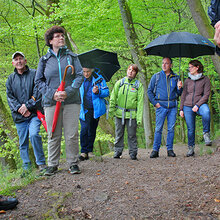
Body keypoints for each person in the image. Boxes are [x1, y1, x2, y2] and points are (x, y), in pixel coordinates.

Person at [35, 26, 83, 176]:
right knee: (53, 133)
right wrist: (53, 94)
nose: (61, 38)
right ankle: (52, 164)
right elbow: (38, 81)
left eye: (62, 36)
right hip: (50, 103)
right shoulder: (44, 60)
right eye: (57, 36)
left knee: (71, 134)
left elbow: (80, 76)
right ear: (50, 41)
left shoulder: (72, 57)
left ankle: (73, 163)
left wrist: (67, 92)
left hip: (71, 101)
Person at [6, 51, 46, 173]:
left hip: (34, 113)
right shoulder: (10, 79)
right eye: (16, 60)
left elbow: (38, 92)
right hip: (19, 117)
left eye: (20, 59)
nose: (19, 61)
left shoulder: (34, 74)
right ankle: (26, 167)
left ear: (25, 60)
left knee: (34, 135)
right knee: (22, 142)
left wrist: (27, 106)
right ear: (13, 63)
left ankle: (41, 164)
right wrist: (20, 109)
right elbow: (10, 97)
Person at [147, 57, 183, 158]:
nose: (164, 65)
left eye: (166, 63)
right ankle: (155, 150)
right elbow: (149, 91)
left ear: (171, 65)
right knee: (158, 129)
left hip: (172, 107)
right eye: (163, 63)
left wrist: (180, 88)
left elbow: (179, 93)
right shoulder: (156, 76)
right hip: (160, 106)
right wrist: (155, 103)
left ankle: (170, 149)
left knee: (171, 129)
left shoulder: (176, 77)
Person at [109, 64, 144, 160]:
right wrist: (111, 111)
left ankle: (133, 153)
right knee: (119, 133)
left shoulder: (138, 86)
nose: (130, 72)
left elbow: (140, 103)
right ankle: (117, 151)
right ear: (127, 70)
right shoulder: (119, 83)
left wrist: (139, 118)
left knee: (132, 134)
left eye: (133, 71)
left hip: (132, 115)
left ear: (135, 73)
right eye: (129, 69)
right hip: (119, 113)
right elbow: (113, 97)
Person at [180, 60, 212, 157]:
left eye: (191, 67)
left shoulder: (205, 79)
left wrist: (197, 105)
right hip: (187, 105)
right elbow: (183, 94)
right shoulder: (187, 80)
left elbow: (206, 94)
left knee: (206, 112)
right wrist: (181, 109)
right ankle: (191, 148)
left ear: (197, 67)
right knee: (190, 129)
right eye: (189, 67)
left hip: (200, 104)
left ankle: (206, 133)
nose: (189, 69)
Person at [79, 66, 109, 160]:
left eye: (88, 71)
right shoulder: (79, 79)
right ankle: (83, 151)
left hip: (95, 109)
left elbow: (106, 92)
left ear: (91, 70)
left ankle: (90, 150)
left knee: (92, 129)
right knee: (84, 129)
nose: (86, 74)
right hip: (83, 109)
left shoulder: (99, 78)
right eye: (84, 71)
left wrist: (98, 91)